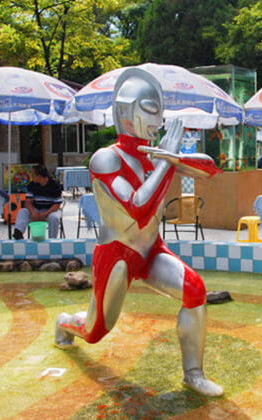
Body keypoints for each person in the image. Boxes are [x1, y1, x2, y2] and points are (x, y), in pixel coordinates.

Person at [54, 68, 223, 397]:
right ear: (125, 110)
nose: (157, 120)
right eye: (148, 109)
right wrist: (167, 161)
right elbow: (137, 207)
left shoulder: (154, 156)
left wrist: (171, 156)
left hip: (151, 250)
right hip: (116, 255)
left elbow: (210, 170)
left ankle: (194, 373)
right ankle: (64, 322)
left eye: (159, 111)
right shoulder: (105, 159)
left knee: (195, 291)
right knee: (95, 330)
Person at [12, 164, 63, 240]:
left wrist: (45, 213)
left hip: (51, 210)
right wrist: (33, 212)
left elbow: (57, 205)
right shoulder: (32, 185)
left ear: (39, 176)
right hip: (36, 209)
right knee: (22, 212)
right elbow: (28, 202)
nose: (32, 177)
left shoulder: (54, 185)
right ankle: (18, 232)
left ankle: (52, 240)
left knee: (54, 217)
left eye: (33, 175)